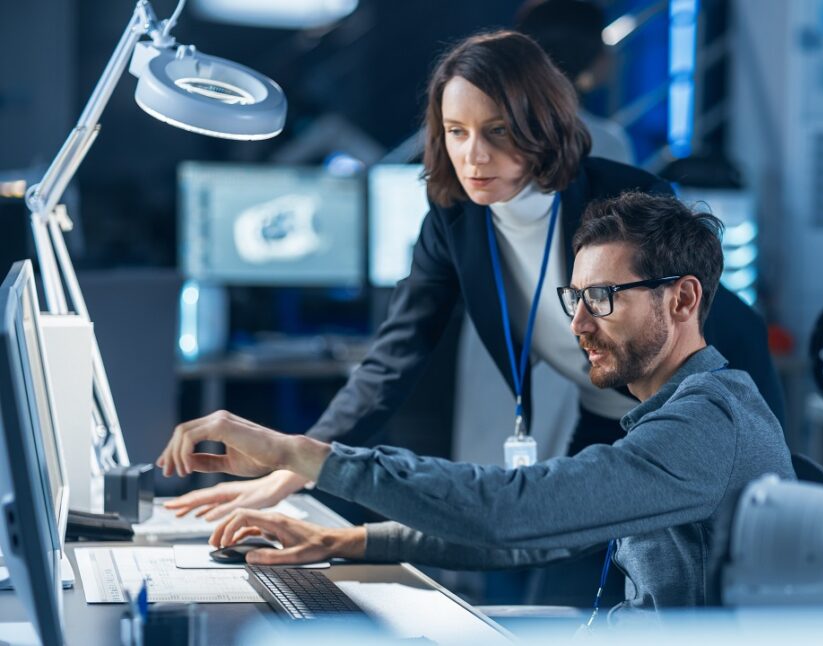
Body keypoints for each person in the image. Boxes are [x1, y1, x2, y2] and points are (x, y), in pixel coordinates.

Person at [157, 30, 785, 522]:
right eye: (456, 132)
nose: (473, 156)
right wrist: (295, 464)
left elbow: (714, 327)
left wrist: (766, 458)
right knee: (556, 580)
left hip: (696, 417)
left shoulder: (622, 201)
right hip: (604, 419)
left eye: (497, 131)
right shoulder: (455, 221)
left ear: (540, 124)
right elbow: (393, 358)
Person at [159, 191, 796, 619]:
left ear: (682, 299)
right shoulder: (679, 414)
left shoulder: (707, 424)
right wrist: (342, 540)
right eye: (574, 298)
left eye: (602, 298)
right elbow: (531, 539)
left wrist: (300, 455)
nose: (578, 324)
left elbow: (513, 513)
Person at [516, 0, 635, 164]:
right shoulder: (604, 141)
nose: (612, 53)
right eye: (603, 42)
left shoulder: (503, 128)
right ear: (585, 52)